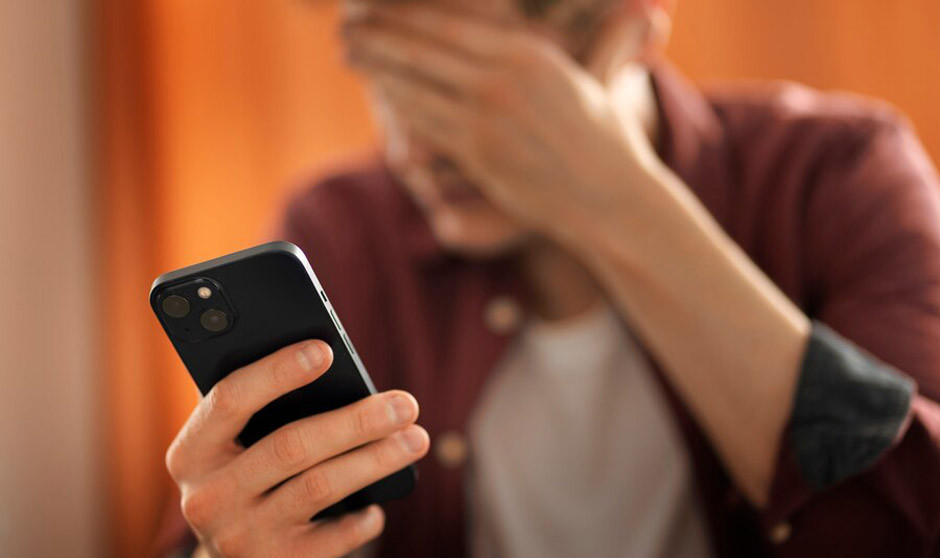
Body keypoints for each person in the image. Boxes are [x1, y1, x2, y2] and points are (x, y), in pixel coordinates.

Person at [152, 0, 940, 556]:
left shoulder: (839, 174)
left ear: (627, 27)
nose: (410, 149)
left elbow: (914, 523)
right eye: (386, 82)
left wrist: (612, 197)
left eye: (458, 91)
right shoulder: (341, 230)